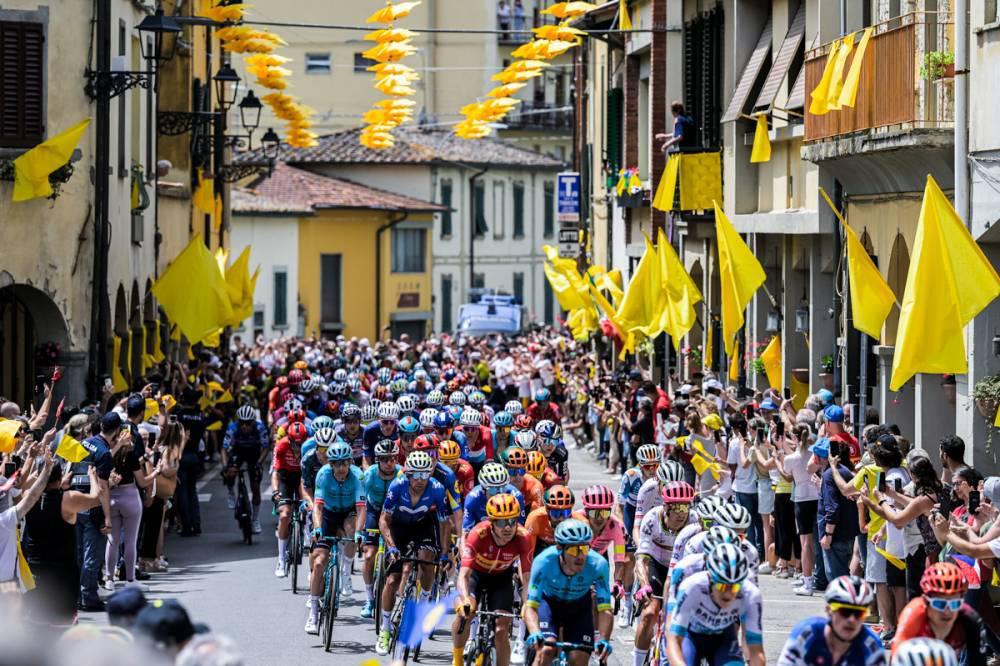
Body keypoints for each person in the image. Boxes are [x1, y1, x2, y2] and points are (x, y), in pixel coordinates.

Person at [377, 450, 453, 655]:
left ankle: (425, 598)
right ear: (408, 474)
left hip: (422, 526)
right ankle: (385, 629)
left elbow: (445, 523)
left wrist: (445, 553)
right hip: (398, 528)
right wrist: (391, 547)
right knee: (392, 580)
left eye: (425, 474)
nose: (420, 480)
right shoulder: (397, 486)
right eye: (416, 475)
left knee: (427, 561)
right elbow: (384, 520)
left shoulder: (437, 488)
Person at [451, 493, 533, 666]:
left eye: (512, 521)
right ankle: (457, 659)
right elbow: (463, 575)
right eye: (502, 522)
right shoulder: (478, 534)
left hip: (501, 578)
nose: (508, 527)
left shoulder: (523, 537)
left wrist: (527, 604)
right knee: (465, 613)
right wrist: (465, 598)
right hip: (476, 575)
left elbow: (526, 579)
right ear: (492, 522)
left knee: (502, 629)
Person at [524, 519, 614, 665]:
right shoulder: (543, 561)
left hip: (579, 608)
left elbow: (605, 610)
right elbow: (531, 606)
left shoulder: (598, 564)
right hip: (550, 605)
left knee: (579, 658)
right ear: (560, 548)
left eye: (584, 549)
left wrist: (603, 638)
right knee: (546, 650)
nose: (580, 556)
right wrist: (534, 631)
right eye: (573, 549)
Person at [666, 543, 765, 666]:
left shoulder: (751, 593)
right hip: (691, 635)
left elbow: (756, 650)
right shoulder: (692, 586)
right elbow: (674, 640)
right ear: (710, 579)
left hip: (723, 637)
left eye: (734, 587)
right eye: (722, 586)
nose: (728, 594)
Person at [306, 441, 365, 635]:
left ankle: (346, 570)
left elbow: (361, 508)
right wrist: (316, 528)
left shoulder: (357, 476)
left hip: (348, 512)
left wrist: (358, 532)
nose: (341, 468)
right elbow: (318, 507)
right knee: (320, 561)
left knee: (350, 529)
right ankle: (313, 614)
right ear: (331, 465)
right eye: (337, 464)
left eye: (345, 463)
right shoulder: (323, 475)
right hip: (328, 514)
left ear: (350, 463)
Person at [633, 481, 695, 666]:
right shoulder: (651, 519)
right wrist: (644, 584)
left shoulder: (694, 520)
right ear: (666, 506)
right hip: (656, 564)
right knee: (650, 612)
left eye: (686, 506)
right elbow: (642, 560)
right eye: (677, 507)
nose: (682, 513)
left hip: (680, 567)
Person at [891, 563, 988, 666]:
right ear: (925, 601)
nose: (947, 611)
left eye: (955, 604)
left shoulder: (970, 619)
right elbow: (896, 659)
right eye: (939, 604)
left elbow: (978, 662)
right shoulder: (913, 615)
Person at [777, 575, 885, 666]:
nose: (851, 620)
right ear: (828, 610)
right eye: (845, 612)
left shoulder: (872, 646)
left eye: (859, 614)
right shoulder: (807, 633)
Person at [104, 421, 158, 591]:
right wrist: (156, 472)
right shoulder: (132, 454)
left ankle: (109, 579)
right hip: (130, 497)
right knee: (130, 541)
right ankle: (130, 579)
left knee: (112, 540)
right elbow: (142, 482)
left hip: (111, 496)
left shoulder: (108, 454)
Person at [360, 439, 401, 618]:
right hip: (374, 510)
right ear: (378, 460)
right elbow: (360, 503)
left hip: (393, 514)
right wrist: (359, 529)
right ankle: (369, 598)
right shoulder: (369, 475)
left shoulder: (401, 474)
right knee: (369, 555)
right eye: (385, 459)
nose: (389, 463)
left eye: (393, 459)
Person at [222, 404, 270, 534]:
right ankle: (231, 491)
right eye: (242, 423)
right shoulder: (232, 428)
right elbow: (224, 449)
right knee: (230, 471)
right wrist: (226, 466)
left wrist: (259, 463)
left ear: (253, 422)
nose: (244, 426)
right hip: (238, 452)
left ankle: (255, 519)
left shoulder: (260, 427)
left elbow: (266, 447)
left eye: (248, 423)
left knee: (255, 487)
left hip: (254, 454)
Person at [819, 441, 860, 582]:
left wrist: (828, 534)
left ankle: (844, 603)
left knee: (837, 580)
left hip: (836, 536)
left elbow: (832, 507)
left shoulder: (829, 475)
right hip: (847, 534)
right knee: (842, 576)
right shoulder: (846, 471)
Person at [271, 420, 305, 578]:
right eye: (294, 443)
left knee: (311, 509)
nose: (297, 447)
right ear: (289, 439)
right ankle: (281, 558)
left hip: (302, 478)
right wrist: (276, 491)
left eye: (301, 443)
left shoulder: (310, 447)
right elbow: (276, 473)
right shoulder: (282, 446)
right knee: (285, 515)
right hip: (285, 476)